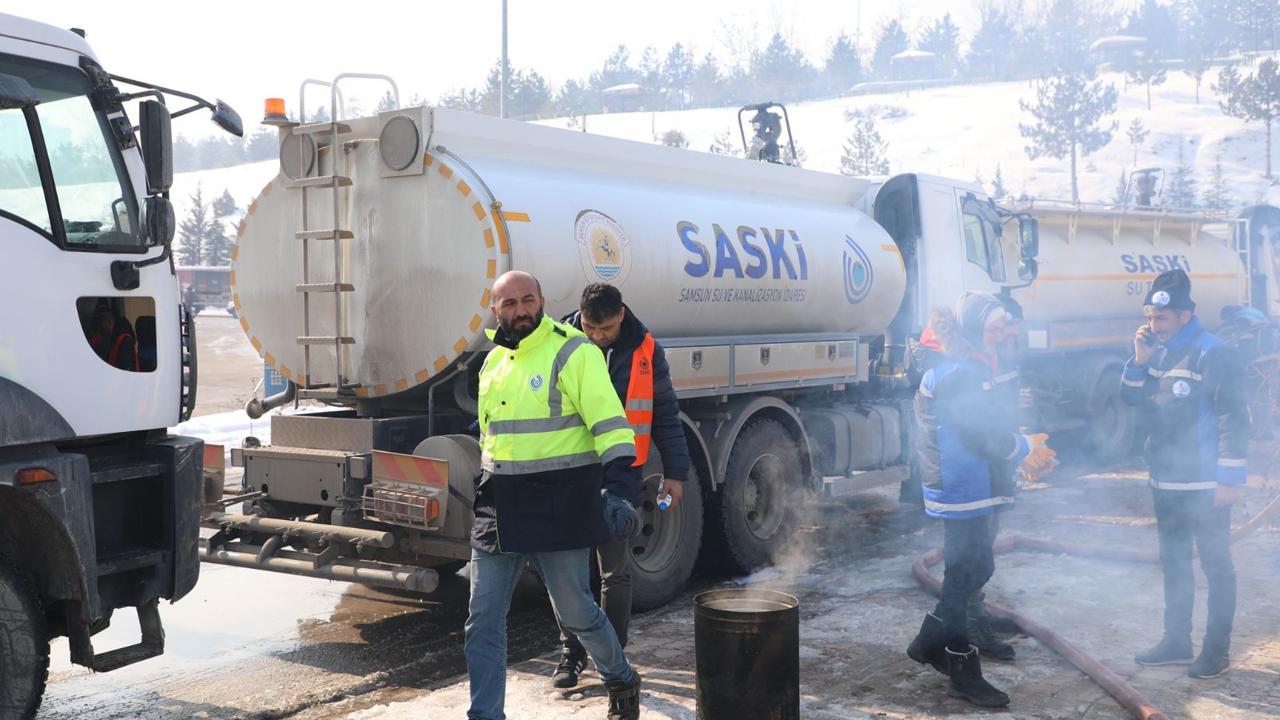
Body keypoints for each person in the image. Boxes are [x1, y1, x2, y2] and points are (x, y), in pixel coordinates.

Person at [465, 271, 644, 720]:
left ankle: (620, 678)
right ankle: (485, 715)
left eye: (527, 300)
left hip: (560, 504)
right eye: (509, 303)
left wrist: (620, 490)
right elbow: (493, 435)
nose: (520, 310)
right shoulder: (491, 364)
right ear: (495, 309)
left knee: (577, 612)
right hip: (499, 508)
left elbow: (611, 425)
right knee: (482, 621)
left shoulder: (573, 350)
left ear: (542, 301)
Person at [905, 292, 1049, 708]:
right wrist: (1022, 447)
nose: (1002, 334)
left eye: (1003, 327)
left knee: (979, 565)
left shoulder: (967, 365)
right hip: (959, 485)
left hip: (974, 481)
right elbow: (979, 435)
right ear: (971, 330)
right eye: (994, 328)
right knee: (959, 576)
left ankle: (929, 641)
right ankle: (961, 670)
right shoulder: (956, 373)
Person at [552, 282, 692, 689]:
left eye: (606, 330)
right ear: (579, 315)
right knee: (569, 572)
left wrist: (676, 474)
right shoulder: (560, 342)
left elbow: (665, 413)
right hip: (569, 470)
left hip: (622, 472)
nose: (596, 337)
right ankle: (571, 655)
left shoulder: (646, 349)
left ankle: (611, 655)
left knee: (613, 570)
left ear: (621, 316)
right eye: (590, 328)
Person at [1121, 269, 1249, 679]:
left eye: (1162, 319)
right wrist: (1138, 361)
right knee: (1175, 564)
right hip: (1166, 481)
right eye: (1150, 318)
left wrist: (1229, 478)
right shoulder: (1155, 350)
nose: (1153, 325)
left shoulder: (1215, 352)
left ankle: (1217, 651)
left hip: (1205, 484)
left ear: (1185, 315)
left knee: (1216, 565)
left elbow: (1235, 418)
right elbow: (1132, 400)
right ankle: (1176, 641)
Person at [87, 302, 139, 372]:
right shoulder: (115, 342)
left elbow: (128, 373)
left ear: (108, 322)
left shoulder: (124, 342)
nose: (102, 335)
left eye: (102, 330)